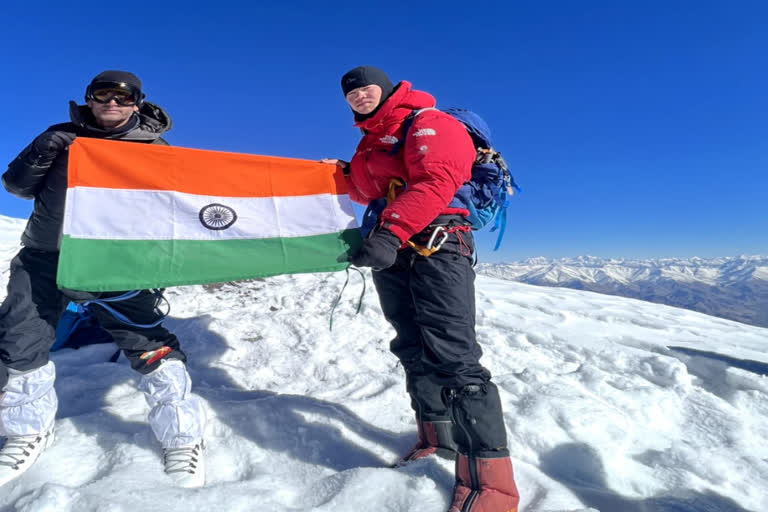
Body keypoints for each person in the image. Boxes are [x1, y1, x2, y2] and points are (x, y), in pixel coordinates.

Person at [326, 66, 520, 512]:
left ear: (389, 88)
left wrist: (390, 233)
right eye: (350, 93)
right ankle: (437, 440)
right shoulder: (372, 141)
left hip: (437, 243)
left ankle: (493, 486)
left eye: (365, 88)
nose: (358, 96)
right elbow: (363, 191)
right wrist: (338, 174)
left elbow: (438, 181)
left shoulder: (430, 122)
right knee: (411, 345)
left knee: (454, 356)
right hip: (392, 247)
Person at [0, 71, 206, 488]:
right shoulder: (61, 136)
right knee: (21, 340)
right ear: (89, 99)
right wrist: (43, 149)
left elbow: (171, 209)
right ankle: (26, 430)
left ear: (137, 103)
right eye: (102, 94)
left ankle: (183, 438)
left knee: (146, 342)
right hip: (45, 256)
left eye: (123, 96)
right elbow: (16, 186)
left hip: (115, 261)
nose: (112, 102)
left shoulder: (154, 149)